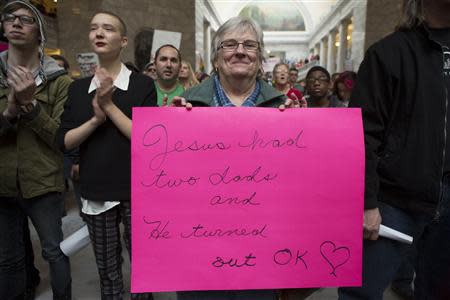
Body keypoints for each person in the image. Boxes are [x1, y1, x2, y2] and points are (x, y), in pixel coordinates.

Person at [172, 16, 305, 300]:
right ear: (216, 59)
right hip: (200, 242)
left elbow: (300, 182)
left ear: (259, 58)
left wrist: (305, 130)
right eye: (230, 44)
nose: (240, 51)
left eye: (249, 45)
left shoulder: (284, 108)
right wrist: (171, 127)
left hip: (264, 243)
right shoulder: (188, 105)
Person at [338, 0, 450, 299]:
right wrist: (366, 202)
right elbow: (362, 134)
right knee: (360, 292)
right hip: (394, 201)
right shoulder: (388, 53)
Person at [57, 11, 157, 300]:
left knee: (143, 266)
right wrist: (94, 120)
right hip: (97, 188)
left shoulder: (141, 85)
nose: (99, 33)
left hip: (136, 187)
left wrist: (109, 106)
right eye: (94, 28)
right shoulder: (77, 89)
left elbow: (146, 138)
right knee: (107, 268)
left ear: (123, 40)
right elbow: (64, 141)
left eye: (108, 28)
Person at [0, 1, 72, 299]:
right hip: (3, 185)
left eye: (26, 20)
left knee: (55, 252)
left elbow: (60, 137)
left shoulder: (59, 81)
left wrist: (29, 107)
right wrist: (11, 109)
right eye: (10, 18)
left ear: (40, 33)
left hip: (44, 183)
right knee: (8, 260)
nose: (16, 23)